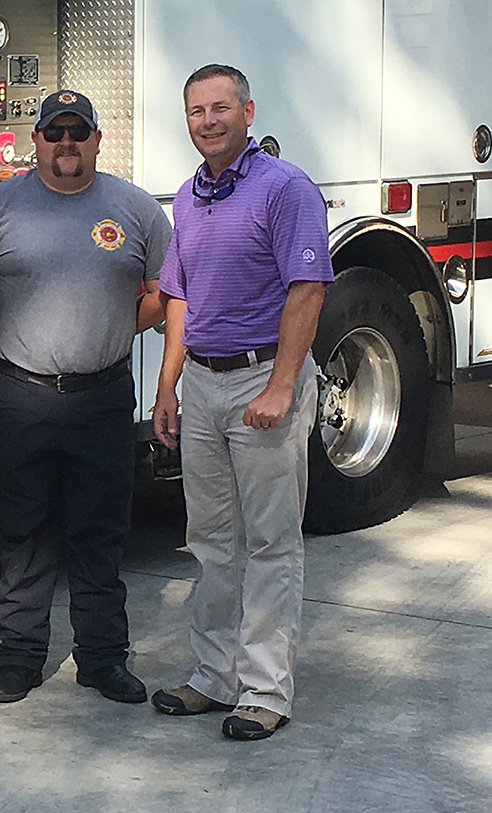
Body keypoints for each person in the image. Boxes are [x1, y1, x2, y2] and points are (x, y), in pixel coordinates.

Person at [151, 64, 332, 741]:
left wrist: (283, 386)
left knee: (270, 543)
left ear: (248, 112)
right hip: (201, 384)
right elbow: (181, 298)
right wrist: (168, 386)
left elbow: (307, 289)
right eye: (196, 111)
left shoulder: (284, 189)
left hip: (263, 381)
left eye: (220, 108)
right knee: (212, 541)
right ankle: (213, 676)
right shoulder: (188, 195)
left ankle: (264, 689)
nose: (207, 121)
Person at [0, 90, 170, 706]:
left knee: (100, 535)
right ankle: (19, 659)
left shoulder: (135, 209)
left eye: (76, 132)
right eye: (53, 132)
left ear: (95, 138)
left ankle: (103, 660)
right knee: (23, 536)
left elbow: (168, 291)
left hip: (103, 397)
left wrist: (114, 323)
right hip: (22, 396)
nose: (65, 143)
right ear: (35, 140)